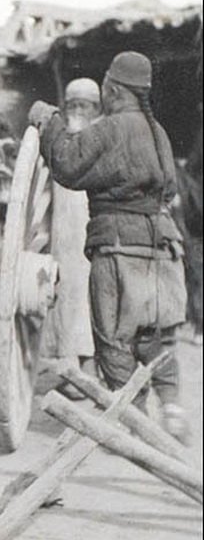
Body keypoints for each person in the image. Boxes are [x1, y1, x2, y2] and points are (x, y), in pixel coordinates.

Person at [29, 51, 190, 442]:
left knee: (114, 338)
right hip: (161, 245)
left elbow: (67, 164)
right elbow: (169, 188)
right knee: (154, 332)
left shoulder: (110, 130)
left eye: (105, 86)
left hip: (117, 247)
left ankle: (133, 423)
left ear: (115, 90)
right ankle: (171, 409)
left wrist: (47, 120)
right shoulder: (159, 134)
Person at [42, 77, 100, 382]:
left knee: (92, 299)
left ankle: (91, 367)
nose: (78, 110)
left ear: (96, 109)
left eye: (85, 105)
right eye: (73, 105)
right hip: (64, 234)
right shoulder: (59, 142)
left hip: (92, 231)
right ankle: (71, 366)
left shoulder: (102, 136)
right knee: (67, 295)